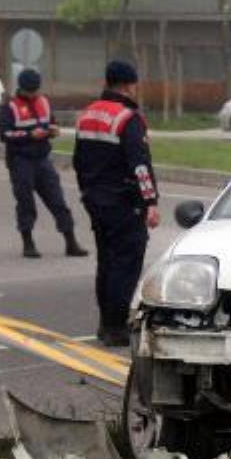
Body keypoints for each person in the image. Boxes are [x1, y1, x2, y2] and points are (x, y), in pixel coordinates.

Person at [74, 60, 160, 347]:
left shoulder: (88, 114)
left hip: (95, 200)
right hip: (124, 203)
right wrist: (151, 201)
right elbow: (139, 165)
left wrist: (87, 192)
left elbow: (78, 161)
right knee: (125, 264)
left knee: (106, 262)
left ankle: (105, 323)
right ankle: (115, 327)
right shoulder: (127, 118)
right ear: (128, 84)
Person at [0, 68, 87, 259]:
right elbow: (4, 134)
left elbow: (50, 123)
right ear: (21, 88)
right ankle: (28, 244)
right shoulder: (10, 107)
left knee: (58, 201)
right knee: (25, 203)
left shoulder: (44, 101)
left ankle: (71, 242)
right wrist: (29, 135)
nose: (34, 94)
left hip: (42, 159)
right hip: (20, 160)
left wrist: (52, 130)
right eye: (30, 90)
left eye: (36, 90)